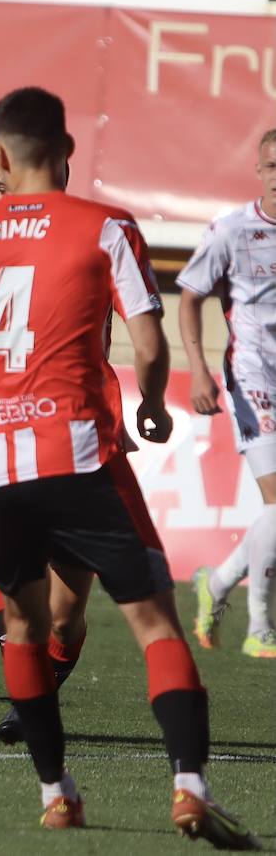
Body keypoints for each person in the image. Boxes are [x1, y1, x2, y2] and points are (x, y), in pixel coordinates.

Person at [0, 87, 256, 846]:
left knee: (26, 631)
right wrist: (154, 404)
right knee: (156, 623)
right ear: (64, 151)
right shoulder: (105, 225)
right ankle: (189, 790)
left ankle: (57, 793)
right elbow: (151, 344)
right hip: (80, 456)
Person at [0, 150, 165, 745]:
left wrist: (151, 399)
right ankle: (28, 707)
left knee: (64, 612)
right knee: (16, 590)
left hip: (84, 433)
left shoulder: (96, 233)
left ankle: (35, 690)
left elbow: (144, 331)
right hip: (7, 431)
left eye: (1, 175)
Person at [180, 130, 276, 660]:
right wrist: (197, 370)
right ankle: (260, 625)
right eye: (272, 166)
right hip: (252, 376)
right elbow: (190, 297)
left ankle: (216, 585)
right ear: (259, 170)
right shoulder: (233, 230)